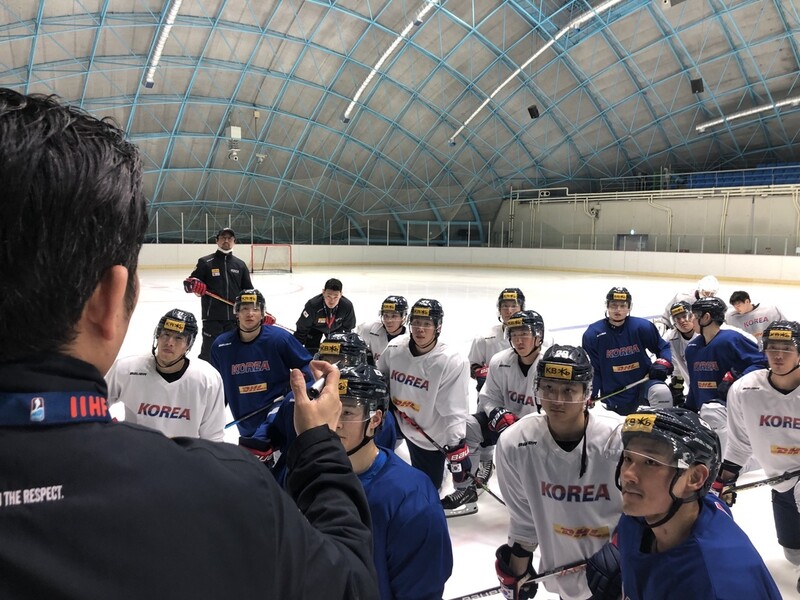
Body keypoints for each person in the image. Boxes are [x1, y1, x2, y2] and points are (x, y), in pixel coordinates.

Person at [0, 89, 377, 598]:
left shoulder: (241, 274)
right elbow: (350, 582)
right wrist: (320, 447)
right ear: (110, 302)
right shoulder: (225, 495)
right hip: (215, 325)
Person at [493, 345, 624, 600]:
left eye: (568, 390)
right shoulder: (515, 442)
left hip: (622, 575)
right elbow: (524, 516)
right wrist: (517, 567)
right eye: (549, 388)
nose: (557, 400)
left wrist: (623, 546)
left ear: (586, 393)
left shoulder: (617, 438)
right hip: (564, 578)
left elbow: (649, 505)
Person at [613, 406, 781, 599]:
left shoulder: (720, 583)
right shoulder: (640, 518)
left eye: (650, 462)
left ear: (694, 478)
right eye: (628, 458)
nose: (627, 474)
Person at [335, 363, 453, 600]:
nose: (335, 423)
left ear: (376, 419)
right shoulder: (302, 474)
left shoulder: (411, 497)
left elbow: (421, 588)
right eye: (330, 411)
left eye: (347, 412)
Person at [248, 332, 397, 486]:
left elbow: (377, 465)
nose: (329, 370)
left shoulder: (374, 416)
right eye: (325, 360)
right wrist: (260, 441)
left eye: (340, 362)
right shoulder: (298, 397)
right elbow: (277, 428)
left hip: (335, 494)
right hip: (294, 487)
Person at [443, 310, 550, 516]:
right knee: (466, 427)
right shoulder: (500, 360)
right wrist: (496, 411)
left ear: (539, 336)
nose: (518, 340)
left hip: (541, 431)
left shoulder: (550, 365)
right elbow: (488, 396)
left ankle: (543, 499)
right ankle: (465, 489)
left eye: (524, 334)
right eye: (514, 334)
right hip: (505, 424)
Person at [720, 320, 800, 593]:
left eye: (787, 348)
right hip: (779, 480)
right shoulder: (745, 390)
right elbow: (740, 443)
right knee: (793, 554)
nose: (778, 355)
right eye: (772, 348)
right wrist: (725, 481)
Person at [377, 298, 470, 492]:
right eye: (416, 323)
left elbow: (454, 409)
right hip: (395, 420)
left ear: (438, 327)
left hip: (428, 434)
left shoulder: (451, 360)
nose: (420, 328)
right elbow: (380, 378)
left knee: (429, 487)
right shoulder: (395, 348)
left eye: (427, 324)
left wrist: (456, 446)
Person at [105, 308, 225, 441]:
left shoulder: (207, 379)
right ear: (157, 335)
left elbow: (213, 437)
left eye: (178, 337)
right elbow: (94, 403)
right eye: (166, 334)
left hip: (183, 459)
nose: (169, 343)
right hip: (136, 457)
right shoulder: (126, 369)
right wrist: (108, 429)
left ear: (188, 344)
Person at [210, 288, 312, 438]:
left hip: (278, 413)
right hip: (244, 419)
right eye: (244, 308)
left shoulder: (279, 338)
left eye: (255, 309)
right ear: (236, 312)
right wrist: (210, 417)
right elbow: (217, 387)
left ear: (263, 313)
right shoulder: (221, 346)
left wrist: (301, 387)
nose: (250, 313)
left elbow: (307, 366)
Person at [684, 296, 766, 451]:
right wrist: (689, 408)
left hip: (730, 407)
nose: (691, 320)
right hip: (706, 409)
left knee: (712, 413)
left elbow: (761, 363)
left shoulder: (731, 339)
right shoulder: (692, 347)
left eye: (694, 316)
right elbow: (695, 382)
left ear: (706, 317)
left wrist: (736, 378)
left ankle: (727, 462)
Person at [582, 287, 673, 415]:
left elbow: (663, 347)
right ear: (607, 306)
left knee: (661, 392)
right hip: (615, 393)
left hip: (644, 384)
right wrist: (590, 393)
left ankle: (664, 430)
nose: (618, 310)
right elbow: (594, 369)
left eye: (623, 305)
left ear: (629, 307)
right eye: (613, 305)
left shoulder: (642, 327)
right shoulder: (593, 334)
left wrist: (662, 363)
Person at [183, 227, 253, 361]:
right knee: (208, 354)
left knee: (233, 353)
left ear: (234, 242)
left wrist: (259, 310)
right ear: (217, 241)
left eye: (229, 238)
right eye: (223, 237)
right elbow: (190, 284)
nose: (226, 241)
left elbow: (248, 291)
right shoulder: (205, 262)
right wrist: (195, 287)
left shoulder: (240, 265)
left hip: (234, 319)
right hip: (212, 318)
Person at [294, 278, 357, 354]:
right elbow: (302, 328)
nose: (332, 301)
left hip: (336, 330)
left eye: (335, 297)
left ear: (341, 294)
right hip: (315, 329)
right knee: (310, 351)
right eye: (328, 296)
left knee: (336, 354)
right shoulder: (313, 305)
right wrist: (296, 348)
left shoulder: (347, 306)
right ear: (323, 292)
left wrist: (345, 345)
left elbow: (348, 328)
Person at [356, 295, 408, 363]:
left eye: (394, 316)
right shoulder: (368, 328)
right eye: (386, 315)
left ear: (403, 318)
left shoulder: (411, 339)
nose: (389, 320)